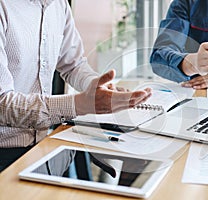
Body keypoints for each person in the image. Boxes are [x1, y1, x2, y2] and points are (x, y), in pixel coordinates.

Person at [0, 0, 151, 172]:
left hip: (43, 145)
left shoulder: (59, 5)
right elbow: (2, 104)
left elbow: (73, 65)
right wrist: (80, 105)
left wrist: (97, 87)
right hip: (5, 155)